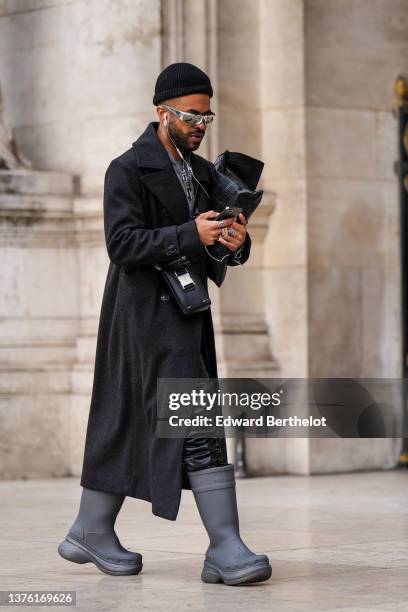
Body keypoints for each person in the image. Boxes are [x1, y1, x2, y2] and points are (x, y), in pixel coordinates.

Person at [58, 62, 272, 586]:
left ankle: (90, 527)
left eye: (207, 116)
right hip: (141, 317)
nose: (201, 125)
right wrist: (189, 235)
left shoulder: (203, 174)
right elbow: (122, 244)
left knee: (129, 417)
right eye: (191, 115)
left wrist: (233, 245)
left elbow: (214, 247)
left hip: (186, 316)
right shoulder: (126, 169)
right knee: (193, 418)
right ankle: (224, 547)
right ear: (163, 112)